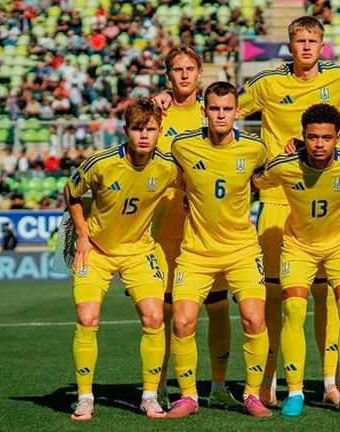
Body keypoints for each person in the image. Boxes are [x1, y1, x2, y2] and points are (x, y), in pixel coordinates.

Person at [253, 104, 340, 416]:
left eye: (326, 137)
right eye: (312, 137)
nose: (319, 144)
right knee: (293, 309)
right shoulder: (285, 166)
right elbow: (256, 179)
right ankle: (294, 392)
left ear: (338, 138)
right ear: (302, 137)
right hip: (299, 246)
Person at [64, 99, 179, 420]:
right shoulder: (100, 163)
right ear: (126, 130)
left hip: (139, 251)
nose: (144, 135)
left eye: (151, 129)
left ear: (160, 131)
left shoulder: (168, 166)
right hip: (97, 251)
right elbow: (71, 192)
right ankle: (85, 397)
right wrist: (82, 236)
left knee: (155, 318)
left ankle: (149, 396)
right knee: (87, 319)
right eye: (137, 129)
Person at [165, 82, 270, 418]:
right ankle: (188, 397)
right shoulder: (183, 146)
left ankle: (252, 395)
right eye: (215, 109)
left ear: (237, 112)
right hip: (196, 251)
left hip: (241, 248)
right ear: (204, 110)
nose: (221, 115)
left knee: (254, 320)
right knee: (182, 323)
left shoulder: (255, 148)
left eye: (227, 109)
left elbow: (268, 175)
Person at [152, 47, 237, 410]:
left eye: (189, 69)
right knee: (166, 311)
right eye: (176, 69)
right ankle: (159, 385)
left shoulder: (211, 109)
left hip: (206, 228)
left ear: (200, 73)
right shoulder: (157, 112)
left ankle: (218, 384)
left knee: (217, 308)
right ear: (168, 74)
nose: (184, 75)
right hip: (166, 225)